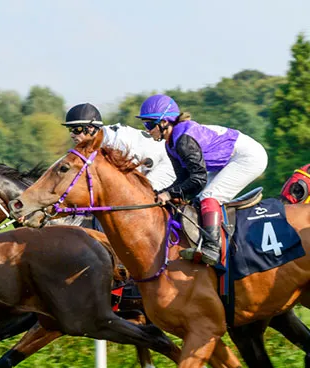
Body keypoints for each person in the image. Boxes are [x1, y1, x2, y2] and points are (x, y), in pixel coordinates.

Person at [136, 94, 268, 265]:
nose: (147, 129)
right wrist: (160, 193)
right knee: (200, 198)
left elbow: (198, 180)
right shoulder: (171, 144)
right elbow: (184, 179)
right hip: (228, 159)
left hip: (248, 157)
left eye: (149, 124)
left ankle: (212, 248)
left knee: (209, 196)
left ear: (164, 122)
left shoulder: (183, 141)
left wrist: (169, 194)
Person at [63, 103, 176, 191]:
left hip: (166, 163)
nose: (72, 134)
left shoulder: (117, 143)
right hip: (146, 168)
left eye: (76, 129)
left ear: (91, 128)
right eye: (70, 130)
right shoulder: (94, 145)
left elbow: (130, 182)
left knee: (137, 194)